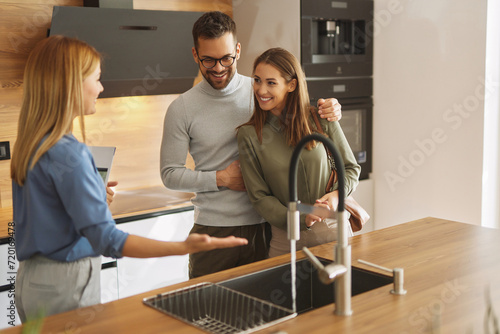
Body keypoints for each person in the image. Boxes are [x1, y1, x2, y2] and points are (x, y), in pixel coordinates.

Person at [10, 35, 248, 323]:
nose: (100, 87)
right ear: (71, 84)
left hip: (31, 282)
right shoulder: (69, 154)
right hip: (64, 284)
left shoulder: (35, 144)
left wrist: (90, 198)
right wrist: (183, 247)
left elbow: (50, 215)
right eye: (96, 79)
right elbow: (108, 239)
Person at [160, 11, 343, 278]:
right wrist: (220, 178)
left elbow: (301, 119)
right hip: (214, 231)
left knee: (264, 314)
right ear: (195, 54)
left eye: (226, 58)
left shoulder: (261, 92)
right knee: (208, 312)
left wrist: (332, 109)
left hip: (266, 228)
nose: (219, 68)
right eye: (208, 60)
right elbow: (170, 174)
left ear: (237, 50)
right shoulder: (182, 109)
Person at [237, 47, 361, 257]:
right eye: (257, 80)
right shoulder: (249, 135)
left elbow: (350, 167)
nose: (261, 90)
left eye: (271, 83)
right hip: (287, 240)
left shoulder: (320, 118)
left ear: (291, 85)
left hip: (333, 230)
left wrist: (335, 196)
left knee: (343, 290)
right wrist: (301, 217)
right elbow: (259, 197)